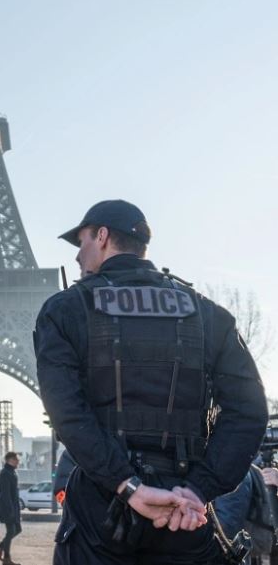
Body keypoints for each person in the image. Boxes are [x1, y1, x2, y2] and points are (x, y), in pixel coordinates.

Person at [35, 200, 269, 564]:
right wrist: (198, 489)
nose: (78, 257)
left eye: (81, 242)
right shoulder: (207, 313)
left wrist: (128, 486)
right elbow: (249, 412)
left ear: (102, 236)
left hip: (100, 510)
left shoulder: (66, 309)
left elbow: (68, 414)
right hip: (183, 509)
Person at [0, 451, 21, 565]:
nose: (18, 461)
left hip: (13, 508)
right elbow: (5, 494)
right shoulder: (5, 473)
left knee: (17, 529)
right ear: (10, 460)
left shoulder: (12, 472)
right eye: (16, 459)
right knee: (11, 531)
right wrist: (10, 510)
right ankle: (6, 559)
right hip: (8, 508)